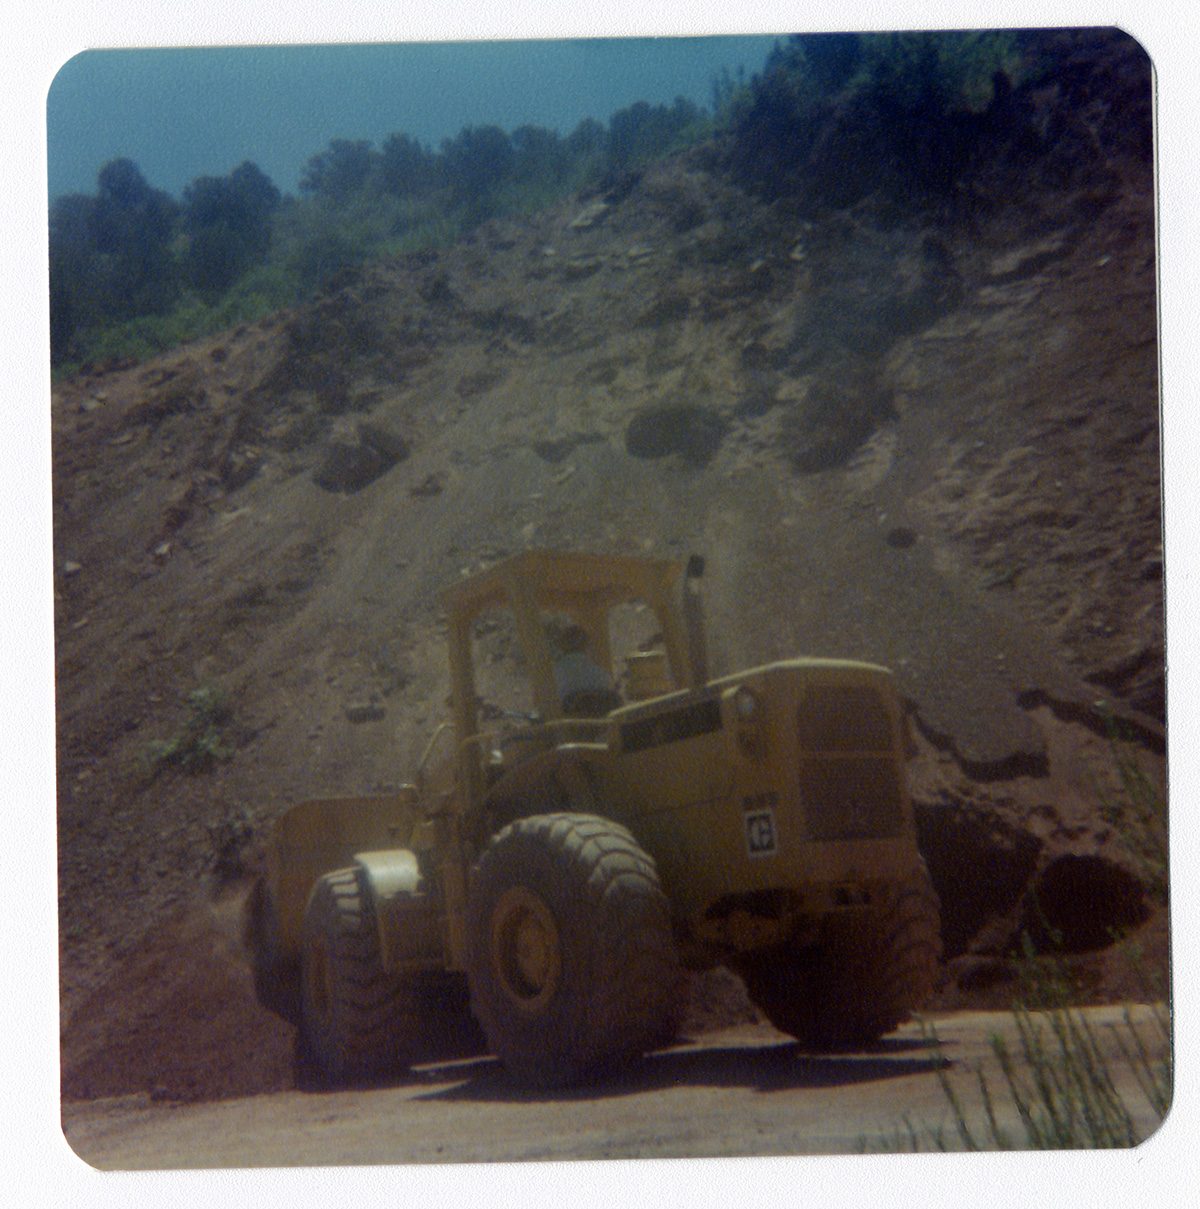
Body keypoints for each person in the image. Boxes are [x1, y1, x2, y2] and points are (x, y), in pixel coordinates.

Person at [545, 617, 622, 717]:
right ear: (586, 646)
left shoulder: (553, 675)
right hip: (603, 724)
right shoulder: (601, 674)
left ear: (561, 645)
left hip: (569, 725)